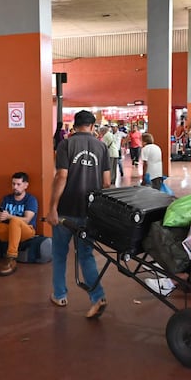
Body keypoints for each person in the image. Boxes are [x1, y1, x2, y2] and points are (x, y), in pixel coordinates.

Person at [46, 109, 111, 319]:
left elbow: (62, 176)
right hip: (89, 213)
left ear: (74, 126)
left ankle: (60, 295)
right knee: (86, 255)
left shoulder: (66, 144)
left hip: (66, 211)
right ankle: (97, 296)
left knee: (59, 254)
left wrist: (52, 208)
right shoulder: (101, 147)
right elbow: (107, 183)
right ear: (93, 127)